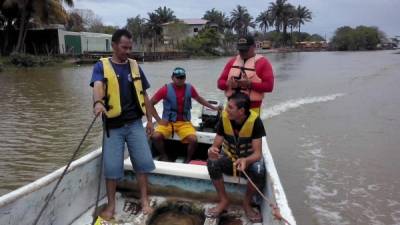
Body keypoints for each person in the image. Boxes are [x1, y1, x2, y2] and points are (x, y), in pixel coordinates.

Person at [91, 29, 156, 220]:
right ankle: (111, 206)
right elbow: (97, 86)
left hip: (135, 124)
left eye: (130, 47)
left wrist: (150, 120)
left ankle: (144, 200)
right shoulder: (101, 66)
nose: (127, 51)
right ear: (113, 45)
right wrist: (97, 103)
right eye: (123, 47)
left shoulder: (134, 66)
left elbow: (145, 94)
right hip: (113, 127)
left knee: (143, 164)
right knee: (111, 168)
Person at [206, 92, 267, 223]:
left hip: (248, 161)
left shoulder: (255, 121)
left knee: (259, 170)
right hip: (229, 159)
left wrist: (246, 160)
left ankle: (246, 203)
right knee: (211, 161)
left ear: (241, 111)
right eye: (227, 106)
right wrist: (212, 151)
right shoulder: (224, 118)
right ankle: (223, 200)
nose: (226, 109)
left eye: (230, 107)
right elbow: (216, 144)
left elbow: (257, 154)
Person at [151, 67, 220, 163]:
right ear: (172, 78)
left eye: (182, 77)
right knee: (155, 136)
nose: (180, 80)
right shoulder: (165, 89)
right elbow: (150, 104)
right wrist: (158, 120)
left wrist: (214, 108)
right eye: (177, 77)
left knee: (193, 140)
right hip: (168, 122)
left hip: (184, 123)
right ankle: (164, 155)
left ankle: (188, 160)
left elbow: (199, 99)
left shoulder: (190, 88)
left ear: (185, 78)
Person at [217, 35, 274, 115]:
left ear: (254, 47)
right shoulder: (232, 62)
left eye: (245, 50)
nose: (242, 52)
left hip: (252, 110)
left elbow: (269, 87)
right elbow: (220, 83)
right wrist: (227, 84)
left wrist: (250, 84)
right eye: (240, 50)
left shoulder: (263, 63)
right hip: (231, 109)